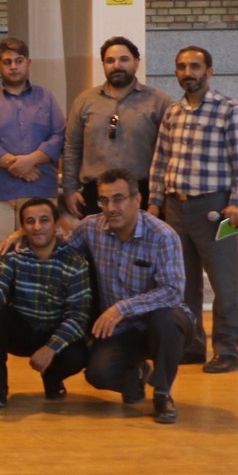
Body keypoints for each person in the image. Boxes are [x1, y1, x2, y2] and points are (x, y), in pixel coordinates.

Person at [149, 45, 238, 374]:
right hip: (175, 208)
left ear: (209, 71)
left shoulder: (229, 110)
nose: (188, 73)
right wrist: (154, 201)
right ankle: (191, 345)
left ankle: (227, 350)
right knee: (183, 284)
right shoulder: (172, 112)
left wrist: (237, 201)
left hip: (216, 208)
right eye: (182, 67)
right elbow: (160, 160)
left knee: (225, 284)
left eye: (195, 66)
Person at [66, 169, 195, 423]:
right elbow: (61, 251)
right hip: (120, 330)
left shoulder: (163, 235)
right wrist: (22, 235)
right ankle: (135, 378)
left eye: (118, 199)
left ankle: (162, 393)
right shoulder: (91, 228)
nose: (111, 208)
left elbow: (172, 290)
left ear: (137, 199)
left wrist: (122, 308)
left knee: (167, 320)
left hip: (161, 323)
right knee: (98, 374)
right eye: (104, 200)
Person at [0, 195, 91, 408]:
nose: (37, 227)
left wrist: (50, 349)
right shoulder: (12, 254)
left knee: (78, 355)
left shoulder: (75, 262)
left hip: (54, 331)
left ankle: (52, 377)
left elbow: (78, 315)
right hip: (22, 329)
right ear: (23, 228)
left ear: (56, 225)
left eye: (44, 220)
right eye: (30, 221)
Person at [0, 37, 65, 272]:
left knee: (40, 259)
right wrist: (16, 164)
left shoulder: (46, 97)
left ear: (28, 63)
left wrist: (31, 160)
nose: (13, 66)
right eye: (7, 62)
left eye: (18, 61)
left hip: (39, 191)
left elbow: (60, 136)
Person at [62, 36, 171, 217]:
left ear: (136, 63)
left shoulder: (159, 102)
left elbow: (169, 152)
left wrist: (160, 198)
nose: (116, 65)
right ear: (103, 65)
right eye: (110, 61)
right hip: (95, 194)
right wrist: (70, 189)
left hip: (142, 193)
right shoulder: (85, 100)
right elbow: (72, 147)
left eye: (124, 59)